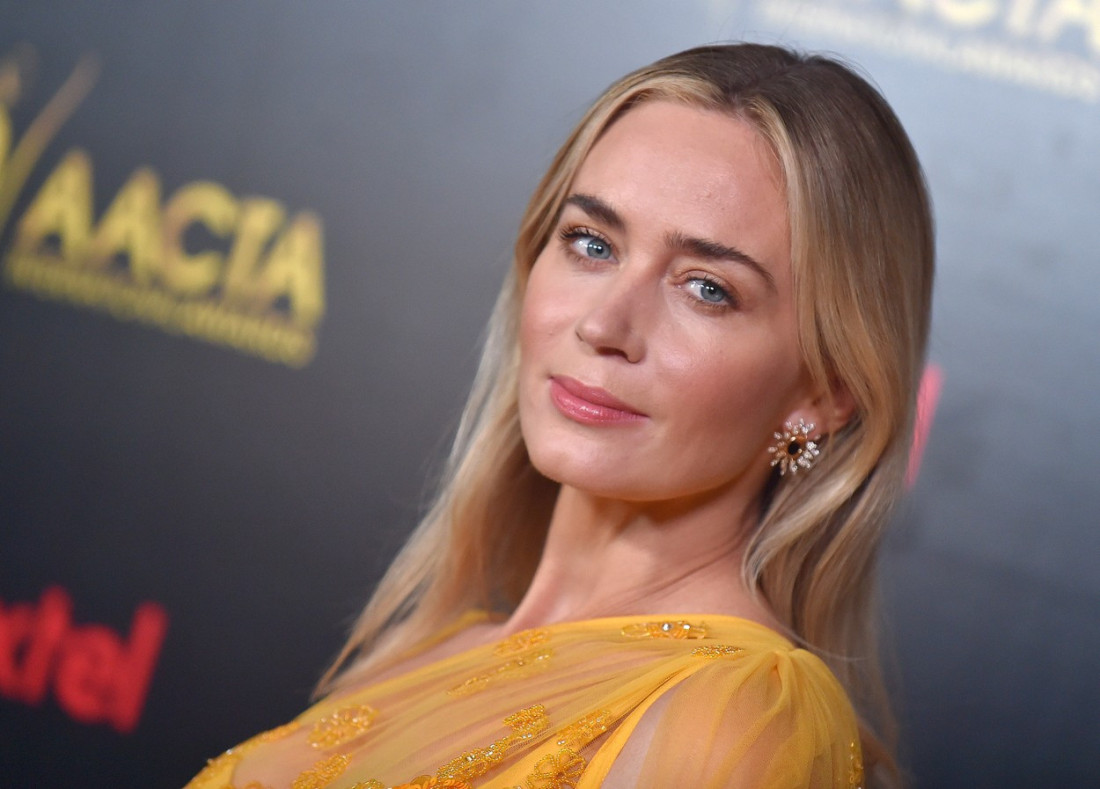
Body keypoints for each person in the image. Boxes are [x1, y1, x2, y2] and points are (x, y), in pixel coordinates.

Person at [185, 42, 933, 789]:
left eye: (707, 287)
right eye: (591, 243)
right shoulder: (422, 649)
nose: (604, 324)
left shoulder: (737, 715)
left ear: (825, 392)